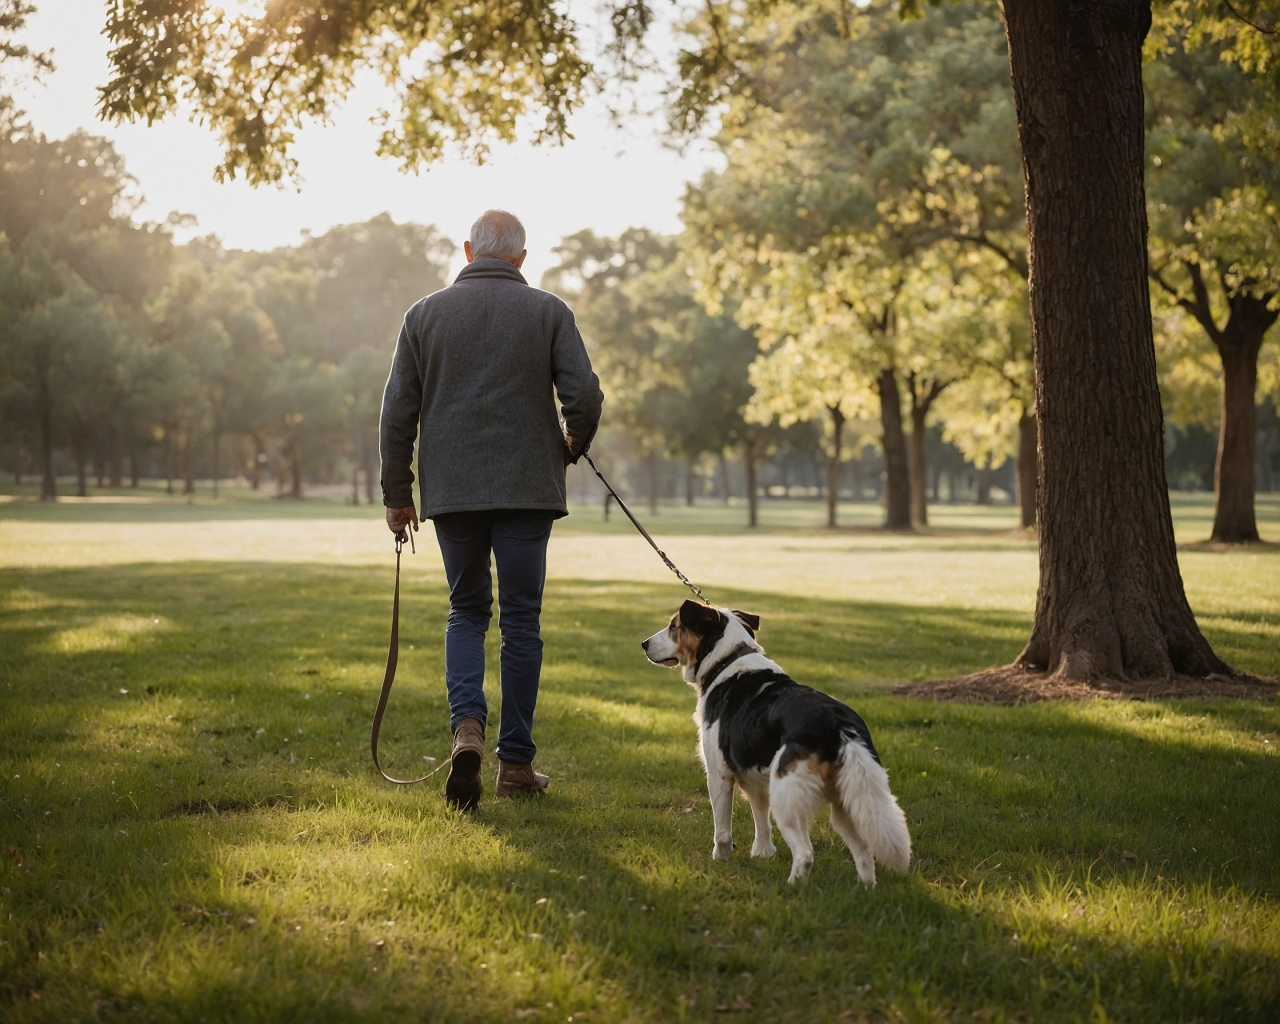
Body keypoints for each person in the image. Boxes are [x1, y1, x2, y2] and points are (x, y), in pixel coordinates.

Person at [379, 209, 603, 811]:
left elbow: (398, 411)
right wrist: (571, 444)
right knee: (522, 620)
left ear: (468, 250)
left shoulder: (422, 316)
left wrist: (399, 493)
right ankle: (517, 765)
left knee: (467, 612)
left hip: (453, 492)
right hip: (528, 489)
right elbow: (583, 396)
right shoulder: (549, 312)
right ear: (522, 259)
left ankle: (467, 732)